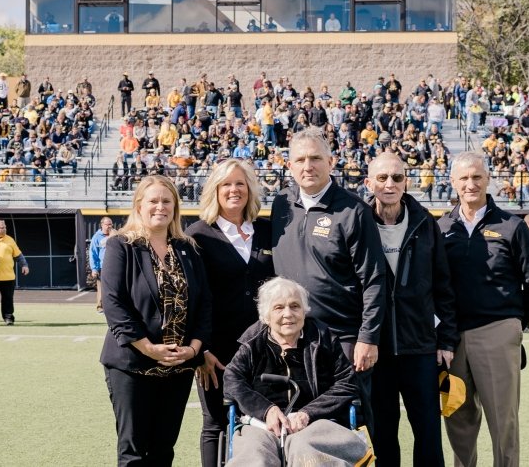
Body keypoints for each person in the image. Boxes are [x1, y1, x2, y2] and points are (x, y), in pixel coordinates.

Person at [270, 128, 385, 435]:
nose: (308, 166)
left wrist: (368, 338)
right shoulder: (281, 204)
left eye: (316, 158)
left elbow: (374, 279)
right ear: (290, 165)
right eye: (300, 159)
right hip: (290, 337)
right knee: (295, 423)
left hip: (342, 338)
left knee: (350, 426)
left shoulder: (354, 211)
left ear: (331, 162)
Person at [438, 151, 529, 467]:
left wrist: (512, 321)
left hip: (497, 333)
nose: (470, 184)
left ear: (487, 180)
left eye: (476, 177)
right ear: (453, 182)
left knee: (503, 422)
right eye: (463, 178)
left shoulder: (511, 226)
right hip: (452, 340)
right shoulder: (442, 227)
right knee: (457, 420)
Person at [100, 175, 211, 466]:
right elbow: (113, 303)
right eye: (153, 201)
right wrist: (148, 347)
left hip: (179, 366)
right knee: (133, 452)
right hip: (133, 365)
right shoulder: (121, 245)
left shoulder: (188, 248)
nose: (160, 207)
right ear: (139, 205)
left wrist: (194, 349)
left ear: (175, 207)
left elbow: (204, 304)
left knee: (163, 450)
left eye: (167, 201)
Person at [363, 153, 457, 466]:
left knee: (428, 433)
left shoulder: (426, 223)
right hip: (376, 349)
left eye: (397, 178)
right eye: (382, 178)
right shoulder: (357, 222)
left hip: (420, 347)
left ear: (407, 182)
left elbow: (443, 286)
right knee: (383, 434)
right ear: (369, 182)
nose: (389, 184)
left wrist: (445, 339)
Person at [186, 159, 275, 467]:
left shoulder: (267, 231)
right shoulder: (197, 235)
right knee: (216, 422)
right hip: (216, 350)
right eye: (226, 184)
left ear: (250, 189)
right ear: (215, 190)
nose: (234, 190)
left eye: (240, 183)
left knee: (263, 421)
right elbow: (191, 299)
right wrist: (202, 350)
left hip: (265, 349)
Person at [224, 277, 369, 466]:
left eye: (295, 306)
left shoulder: (323, 339)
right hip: (261, 425)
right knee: (256, 453)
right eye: (279, 308)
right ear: (266, 315)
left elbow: (347, 383)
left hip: (315, 425)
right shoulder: (252, 343)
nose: (288, 314)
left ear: (304, 311)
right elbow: (232, 379)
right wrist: (266, 410)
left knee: (305, 451)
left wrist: (308, 413)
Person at [0, 219, 29, 325]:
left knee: (8, 300)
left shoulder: (9, 239)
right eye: (2, 227)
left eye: (5, 227)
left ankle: (8, 318)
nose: (5, 229)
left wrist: (24, 265)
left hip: (8, 277)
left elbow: (18, 255)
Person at [87, 217, 114, 313]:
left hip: (114, 266)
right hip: (102, 267)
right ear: (102, 225)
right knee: (102, 287)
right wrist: (94, 269)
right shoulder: (96, 237)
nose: (110, 226)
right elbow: (93, 253)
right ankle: (100, 307)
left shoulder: (114, 235)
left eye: (111, 224)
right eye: (107, 224)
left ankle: (113, 307)